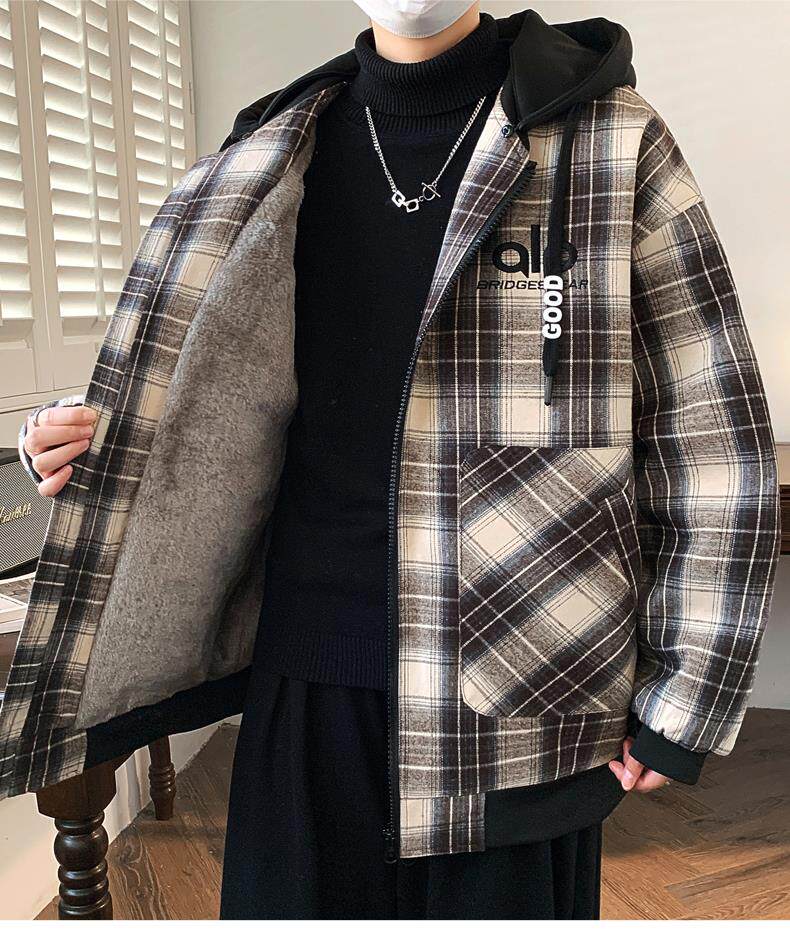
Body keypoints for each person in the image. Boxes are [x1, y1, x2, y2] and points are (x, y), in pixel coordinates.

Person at [11, 0, 780, 922]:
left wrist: (685, 698)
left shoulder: (613, 142)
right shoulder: (269, 152)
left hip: (522, 689)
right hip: (306, 674)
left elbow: (711, 436)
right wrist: (84, 436)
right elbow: (208, 387)